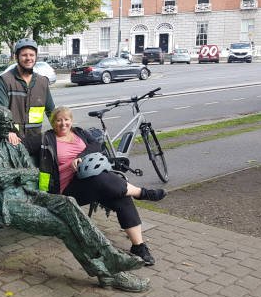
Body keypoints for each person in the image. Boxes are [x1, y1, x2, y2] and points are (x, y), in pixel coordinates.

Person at [0, 106, 150, 292]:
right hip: (5, 203)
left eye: (9, 124)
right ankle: (108, 274)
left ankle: (110, 254)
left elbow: (35, 173)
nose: (9, 128)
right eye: (3, 124)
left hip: (30, 194)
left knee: (68, 203)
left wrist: (14, 174)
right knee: (63, 227)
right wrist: (21, 173)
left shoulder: (13, 144)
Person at [38, 106, 167, 266]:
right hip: (69, 189)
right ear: (53, 123)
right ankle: (141, 192)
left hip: (94, 181)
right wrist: (11, 135)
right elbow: (21, 144)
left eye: (66, 119)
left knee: (121, 197)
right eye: (58, 120)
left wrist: (80, 157)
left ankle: (139, 247)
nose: (63, 123)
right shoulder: (46, 139)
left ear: (71, 121)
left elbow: (96, 145)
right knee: (98, 178)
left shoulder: (79, 132)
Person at [0, 38, 55, 160]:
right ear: (17, 57)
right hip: (13, 143)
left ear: (36, 57)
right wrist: (8, 132)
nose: (28, 58)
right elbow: (0, 113)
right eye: (24, 55)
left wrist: (62, 130)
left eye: (32, 55)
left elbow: (51, 111)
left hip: (36, 141)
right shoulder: (5, 81)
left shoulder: (42, 82)